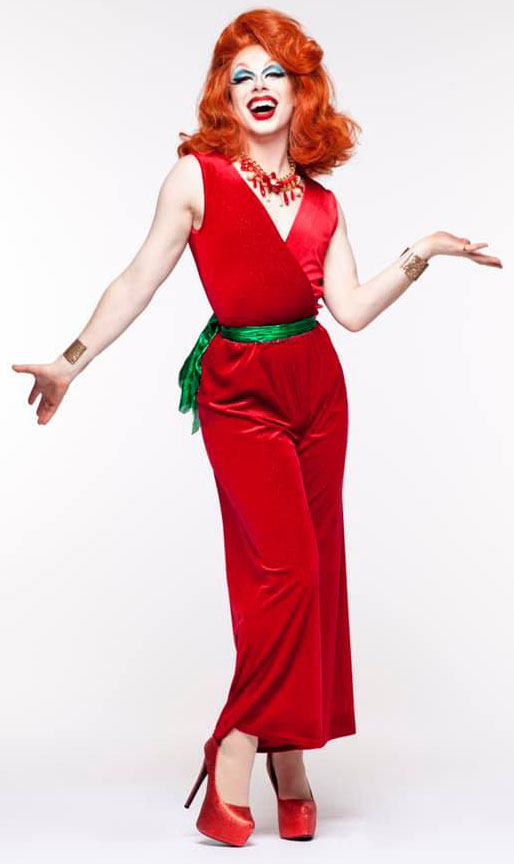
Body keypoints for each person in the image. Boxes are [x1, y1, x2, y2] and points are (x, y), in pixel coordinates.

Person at [12, 7, 502, 848]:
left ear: (302, 91)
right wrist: (70, 360)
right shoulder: (196, 179)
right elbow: (137, 279)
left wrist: (422, 252)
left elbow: (350, 311)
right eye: (242, 76)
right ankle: (236, 746)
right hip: (239, 388)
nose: (259, 86)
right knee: (286, 571)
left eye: (275, 72)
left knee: (315, 572)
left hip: (317, 388)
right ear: (224, 96)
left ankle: (292, 756)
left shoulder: (323, 202)